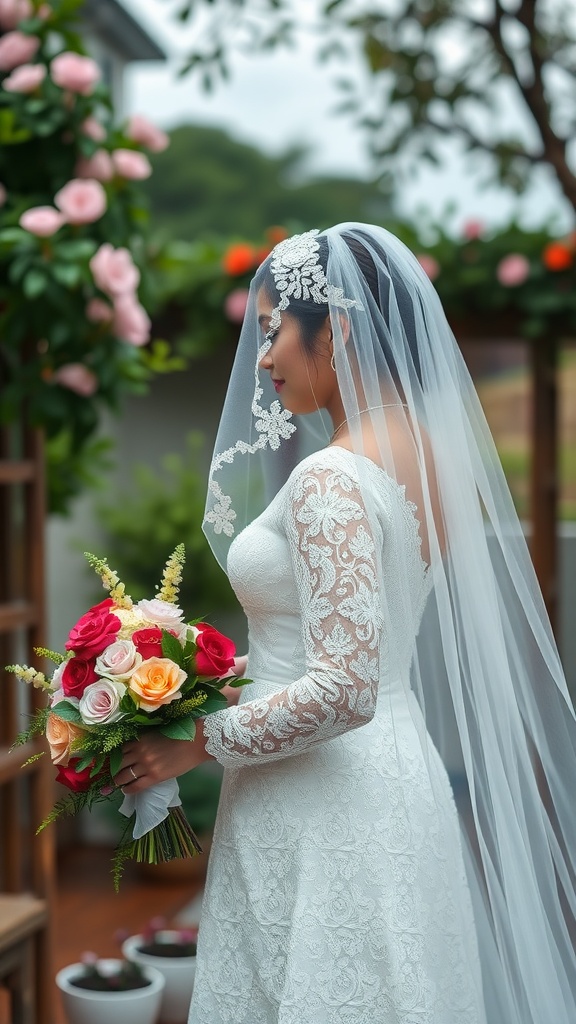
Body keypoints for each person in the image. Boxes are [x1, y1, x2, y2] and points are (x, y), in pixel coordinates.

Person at [116, 223, 576, 1024]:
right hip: (399, 784)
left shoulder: (331, 475)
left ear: (340, 326)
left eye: (271, 332)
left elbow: (341, 688)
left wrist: (194, 741)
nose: (262, 361)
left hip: (320, 805)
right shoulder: (432, 455)